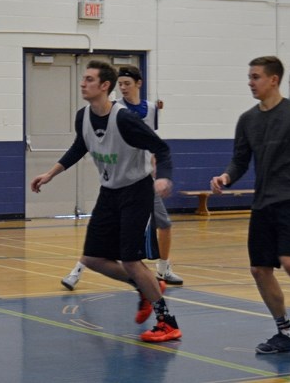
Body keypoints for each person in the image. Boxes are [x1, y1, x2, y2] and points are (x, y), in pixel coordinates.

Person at [31, 60, 181, 342]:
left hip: (136, 191)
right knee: (93, 258)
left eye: (89, 79)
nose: (82, 83)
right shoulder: (83, 116)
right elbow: (80, 145)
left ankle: (167, 322)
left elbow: (162, 148)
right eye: (83, 79)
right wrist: (51, 173)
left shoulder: (124, 120)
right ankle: (146, 286)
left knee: (131, 259)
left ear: (104, 86)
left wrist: (164, 178)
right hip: (109, 192)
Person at [209, 56, 290, 358]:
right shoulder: (247, 119)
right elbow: (241, 160)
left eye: (255, 77)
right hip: (263, 202)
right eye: (249, 77)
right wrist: (226, 176)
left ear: (273, 80)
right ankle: (285, 332)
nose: (250, 82)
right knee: (259, 269)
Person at [62, 65, 184, 289]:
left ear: (139, 83)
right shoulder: (113, 109)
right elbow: (83, 144)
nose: (124, 88)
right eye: (121, 84)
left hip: (142, 180)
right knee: (100, 245)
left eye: (128, 83)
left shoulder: (149, 109)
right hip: (116, 180)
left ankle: (162, 270)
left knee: (162, 224)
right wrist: (53, 172)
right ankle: (79, 269)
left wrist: (160, 172)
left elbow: (153, 142)